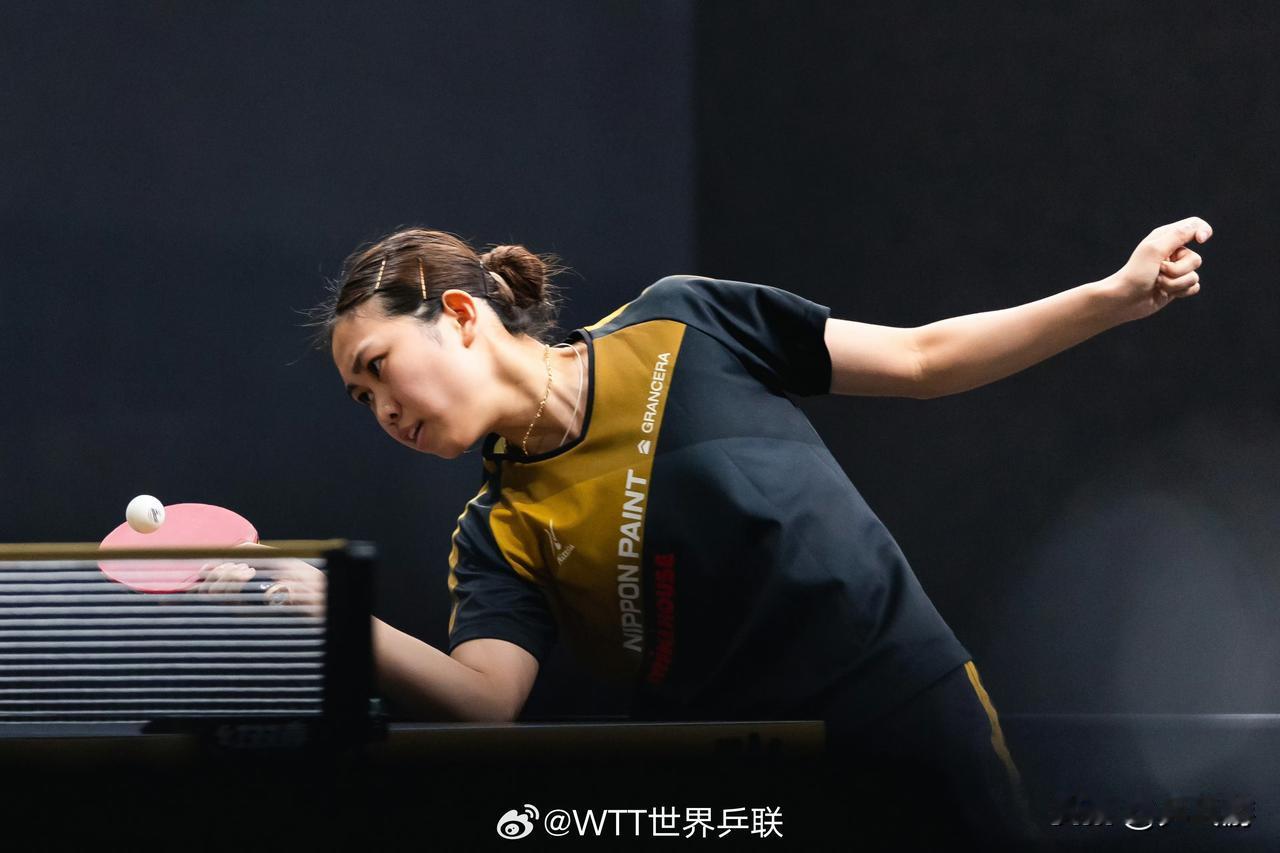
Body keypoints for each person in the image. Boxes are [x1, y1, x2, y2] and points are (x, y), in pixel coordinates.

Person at [201, 217, 1211, 846]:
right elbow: (483, 703)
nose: (381, 409)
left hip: (899, 705)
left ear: (460, 315)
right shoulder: (498, 530)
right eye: (359, 398)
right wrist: (327, 607)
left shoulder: (680, 324)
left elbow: (922, 358)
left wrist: (1111, 298)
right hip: (740, 779)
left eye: (378, 367)